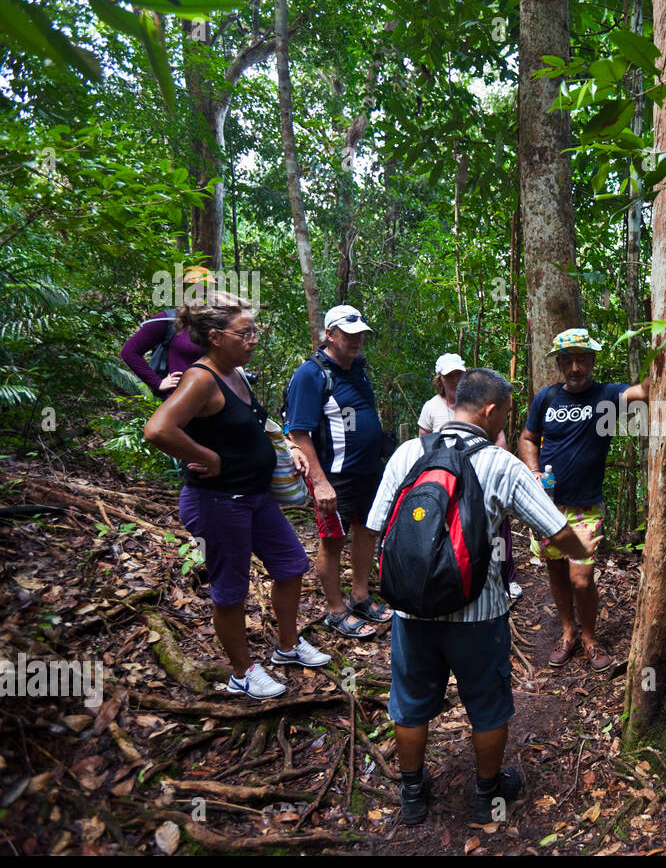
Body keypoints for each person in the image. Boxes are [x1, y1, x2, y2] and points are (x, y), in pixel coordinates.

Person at [366, 368, 597, 825]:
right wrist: (581, 548)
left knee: (410, 702)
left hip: (410, 609)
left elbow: (376, 527)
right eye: (505, 415)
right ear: (490, 411)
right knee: (488, 705)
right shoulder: (501, 463)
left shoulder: (407, 453)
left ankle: (413, 794)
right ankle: (487, 792)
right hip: (479, 611)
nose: (505, 424)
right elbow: (553, 529)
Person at [143, 291, 330, 700]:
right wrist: (205, 455)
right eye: (245, 333)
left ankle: (286, 646)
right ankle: (242, 672)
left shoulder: (236, 374)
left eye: (254, 330)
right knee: (231, 589)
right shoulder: (200, 379)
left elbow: (256, 425)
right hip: (218, 502)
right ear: (214, 337)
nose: (254, 339)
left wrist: (292, 449)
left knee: (290, 565)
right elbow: (158, 429)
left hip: (256, 496)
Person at [518, 328, 649, 673]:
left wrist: (664, 346)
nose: (575, 367)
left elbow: (646, 391)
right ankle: (568, 632)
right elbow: (528, 437)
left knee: (582, 578)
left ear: (592, 360)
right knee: (556, 569)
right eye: (568, 360)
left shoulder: (607, 396)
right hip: (547, 504)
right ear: (559, 363)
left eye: (581, 359)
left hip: (586, 506)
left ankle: (590, 638)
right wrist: (533, 472)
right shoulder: (546, 398)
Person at [284, 305, 392, 639]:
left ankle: (359, 596)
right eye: (349, 334)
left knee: (366, 530)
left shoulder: (357, 368)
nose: (357, 340)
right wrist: (319, 482)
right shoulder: (311, 373)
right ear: (330, 334)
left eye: (360, 334)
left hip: (368, 472)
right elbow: (298, 432)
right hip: (335, 476)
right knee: (332, 541)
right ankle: (335, 609)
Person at [420, 353, 524, 602]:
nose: (455, 380)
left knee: (497, 531)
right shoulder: (432, 407)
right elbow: (424, 441)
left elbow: (499, 439)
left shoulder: (482, 402)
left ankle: (505, 576)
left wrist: (497, 466)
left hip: (483, 474)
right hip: (445, 479)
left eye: (459, 375)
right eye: (449, 376)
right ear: (440, 379)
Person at [120, 267, 210, 397]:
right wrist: (157, 383)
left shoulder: (215, 322)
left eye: (205, 289)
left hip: (215, 402)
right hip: (180, 402)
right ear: (183, 291)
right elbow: (129, 351)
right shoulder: (167, 319)